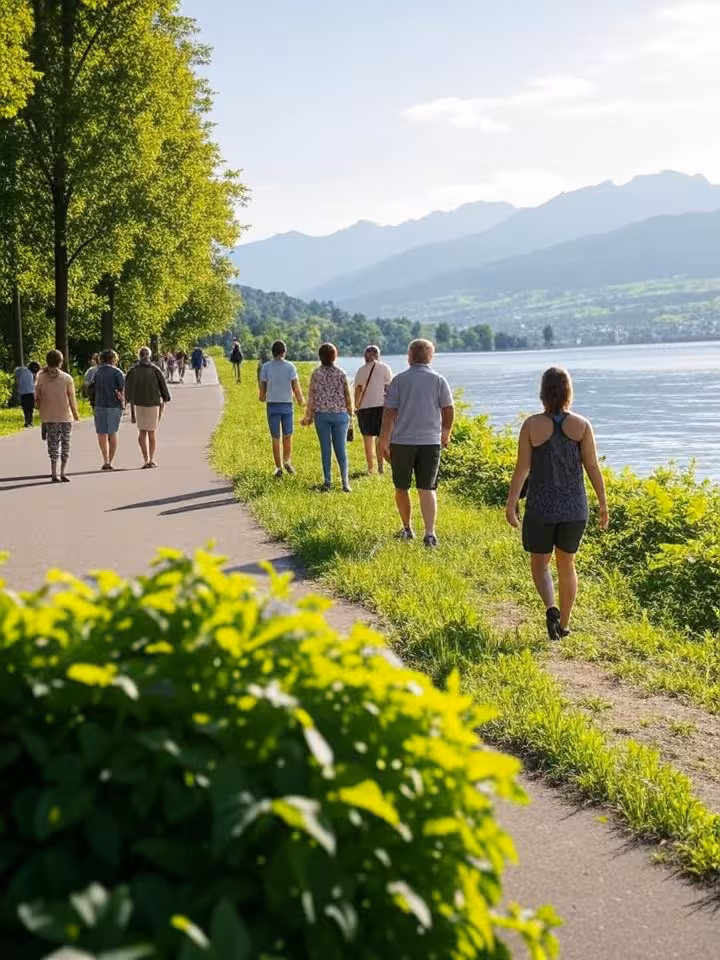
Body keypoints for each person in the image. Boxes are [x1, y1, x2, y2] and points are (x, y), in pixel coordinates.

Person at [505, 366, 609, 640]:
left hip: (541, 508)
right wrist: (603, 504)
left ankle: (550, 607)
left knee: (540, 564)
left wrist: (511, 503)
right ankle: (563, 625)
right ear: (567, 392)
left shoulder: (531, 425)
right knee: (567, 565)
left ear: (543, 393)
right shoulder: (582, 426)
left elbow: (522, 469)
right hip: (574, 509)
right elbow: (593, 467)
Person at [379, 339, 454, 547]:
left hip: (402, 442)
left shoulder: (399, 381)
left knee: (401, 487)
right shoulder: (439, 380)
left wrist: (384, 440)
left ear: (409, 357)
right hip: (431, 442)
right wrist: (445, 432)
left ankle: (407, 528)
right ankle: (430, 534)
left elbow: (389, 413)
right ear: (430, 356)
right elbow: (448, 409)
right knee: (427, 488)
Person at [302, 342, 353, 492]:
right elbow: (347, 396)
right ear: (334, 356)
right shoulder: (341, 373)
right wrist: (350, 413)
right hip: (340, 415)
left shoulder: (316, 374)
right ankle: (345, 482)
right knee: (341, 449)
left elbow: (312, 397)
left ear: (320, 357)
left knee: (326, 449)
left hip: (322, 416)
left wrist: (308, 416)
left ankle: (327, 481)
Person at [259, 340, 305, 477]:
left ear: (272, 352)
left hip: (272, 404)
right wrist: (301, 401)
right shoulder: (290, 366)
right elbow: (296, 387)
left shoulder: (266, 367)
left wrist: (262, 396)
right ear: (284, 351)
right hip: (286, 405)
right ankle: (287, 461)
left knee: (275, 437)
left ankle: (278, 467)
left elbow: (262, 385)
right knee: (288, 435)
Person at [34, 349, 80, 483]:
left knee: (53, 445)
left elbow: (36, 396)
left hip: (48, 416)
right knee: (66, 444)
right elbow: (72, 398)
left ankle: (54, 473)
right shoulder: (67, 378)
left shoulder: (41, 376)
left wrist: (39, 406)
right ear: (60, 362)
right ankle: (63, 472)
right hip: (65, 416)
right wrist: (76, 414)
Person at [124, 346, 171, 468]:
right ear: (149, 355)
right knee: (152, 431)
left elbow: (127, 387)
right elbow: (163, 385)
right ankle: (151, 459)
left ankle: (145, 459)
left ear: (139, 356)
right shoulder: (155, 369)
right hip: (153, 402)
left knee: (142, 431)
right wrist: (166, 397)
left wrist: (128, 399)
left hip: (138, 403)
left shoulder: (133, 370)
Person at [354, 345, 393, 475]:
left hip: (365, 408)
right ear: (377, 355)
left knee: (367, 439)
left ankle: (370, 468)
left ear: (365, 356)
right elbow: (388, 388)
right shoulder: (385, 368)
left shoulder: (361, 370)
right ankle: (380, 467)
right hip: (382, 407)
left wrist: (356, 405)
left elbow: (358, 390)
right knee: (381, 438)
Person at [92, 349, 125, 471]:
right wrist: (123, 404)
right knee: (112, 432)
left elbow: (88, 386)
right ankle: (110, 461)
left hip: (99, 404)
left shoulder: (95, 371)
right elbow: (121, 390)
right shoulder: (117, 372)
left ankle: (105, 458)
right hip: (114, 405)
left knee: (101, 433)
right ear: (113, 359)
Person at [14, 360, 40, 428]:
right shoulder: (30, 373)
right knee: (30, 409)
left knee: (25, 409)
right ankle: (30, 422)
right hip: (31, 393)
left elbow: (16, 371)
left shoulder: (22, 371)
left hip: (23, 393)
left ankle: (27, 422)